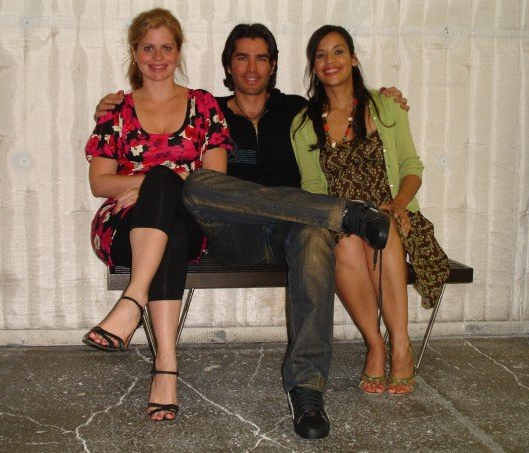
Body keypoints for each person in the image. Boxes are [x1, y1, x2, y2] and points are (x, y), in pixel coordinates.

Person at [94, 24, 407, 440]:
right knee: (199, 184)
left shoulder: (298, 110)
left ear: (273, 65)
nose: (252, 67)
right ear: (228, 65)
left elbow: (342, 101)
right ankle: (343, 214)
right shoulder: (211, 109)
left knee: (315, 236)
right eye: (241, 57)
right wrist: (112, 106)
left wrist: (383, 97)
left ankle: (308, 390)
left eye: (261, 58)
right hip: (232, 236)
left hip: (292, 234)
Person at [82, 8, 233, 422]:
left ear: (179, 51)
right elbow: (100, 183)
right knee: (167, 209)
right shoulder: (116, 110)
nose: (158, 57)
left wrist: (158, 181)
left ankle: (133, 302)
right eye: (148, 48)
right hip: (122, 227)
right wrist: (151, 185)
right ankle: (165, 366)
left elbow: (214, 181)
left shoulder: (203, 105)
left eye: (166, 47)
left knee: (170, 204)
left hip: (191, 218)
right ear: (135, 52)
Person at [291, 25, 450, 396]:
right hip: (342, 216)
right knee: (346, 243)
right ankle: (376, 345)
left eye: (338, 51)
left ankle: (401, 345)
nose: (330, 61)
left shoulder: (385, 106)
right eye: (320, 55)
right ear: (313, 66)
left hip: (393, 211)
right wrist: (336, 216)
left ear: (353, 59)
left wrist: (398, 204)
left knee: (383, 228)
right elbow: (313, 187)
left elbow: (411, 166)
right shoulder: (303, 124)